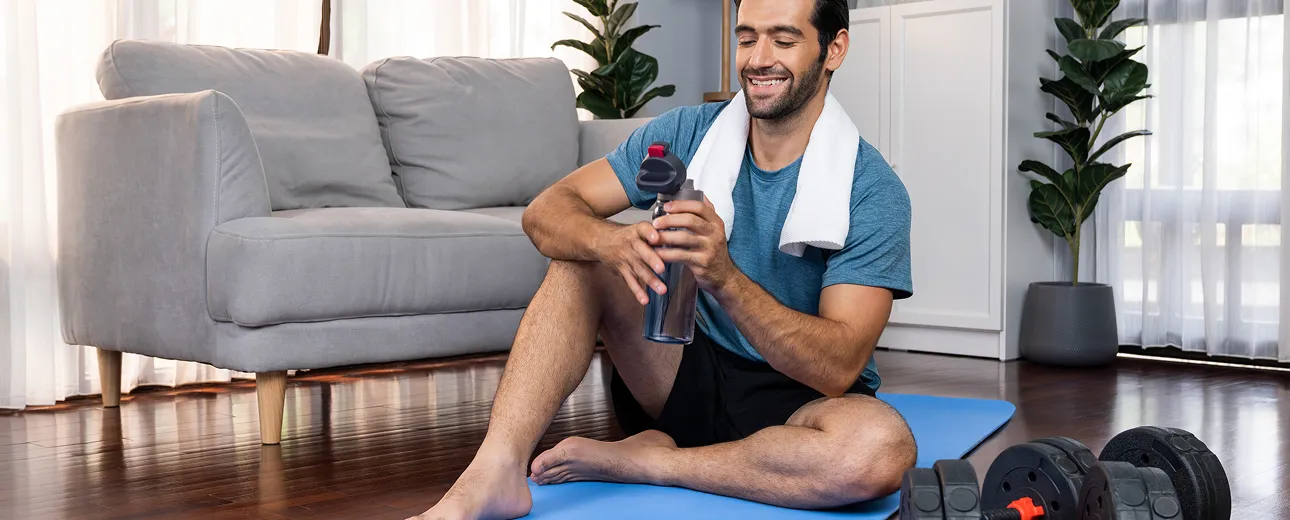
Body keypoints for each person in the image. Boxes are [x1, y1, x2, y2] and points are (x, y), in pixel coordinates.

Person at [414, 1, 915, 518]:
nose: (758, 59)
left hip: (799, 404)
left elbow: (837, 368)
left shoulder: (872, 191)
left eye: (783, 41)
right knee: (580, 258)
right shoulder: (684, 137)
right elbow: (546, 213)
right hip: (678, 369)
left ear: (834, 48)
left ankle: (653, 463)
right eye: (747, 39)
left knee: (880, 451)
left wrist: (722, 276)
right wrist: (609, 242)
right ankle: (494, 471)